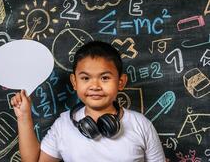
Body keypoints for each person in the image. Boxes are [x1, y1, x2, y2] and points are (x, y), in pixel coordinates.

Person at [11, 40, 165, 162]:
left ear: (121, 82)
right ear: (74, 82)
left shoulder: (141, 125)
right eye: (85, 78)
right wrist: (24, 117)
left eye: (105, 78)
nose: (95, 86)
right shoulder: (63, 125)